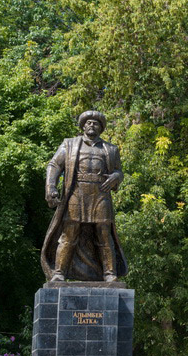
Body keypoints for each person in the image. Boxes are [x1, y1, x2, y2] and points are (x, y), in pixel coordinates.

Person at [41, 110, 127, 282]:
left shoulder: (110, 149)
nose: (91, 125)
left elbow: (118, 170)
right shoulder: (69, 144)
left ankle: (109, 273)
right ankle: (59, 273)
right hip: (76, 193)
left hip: (100, 194)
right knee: (69, 232)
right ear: (82, 126)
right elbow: (54, 165)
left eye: (96, 123)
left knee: (104, 232)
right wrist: (51, 186)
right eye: (88, 122)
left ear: (101, 128)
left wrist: (117, 177)